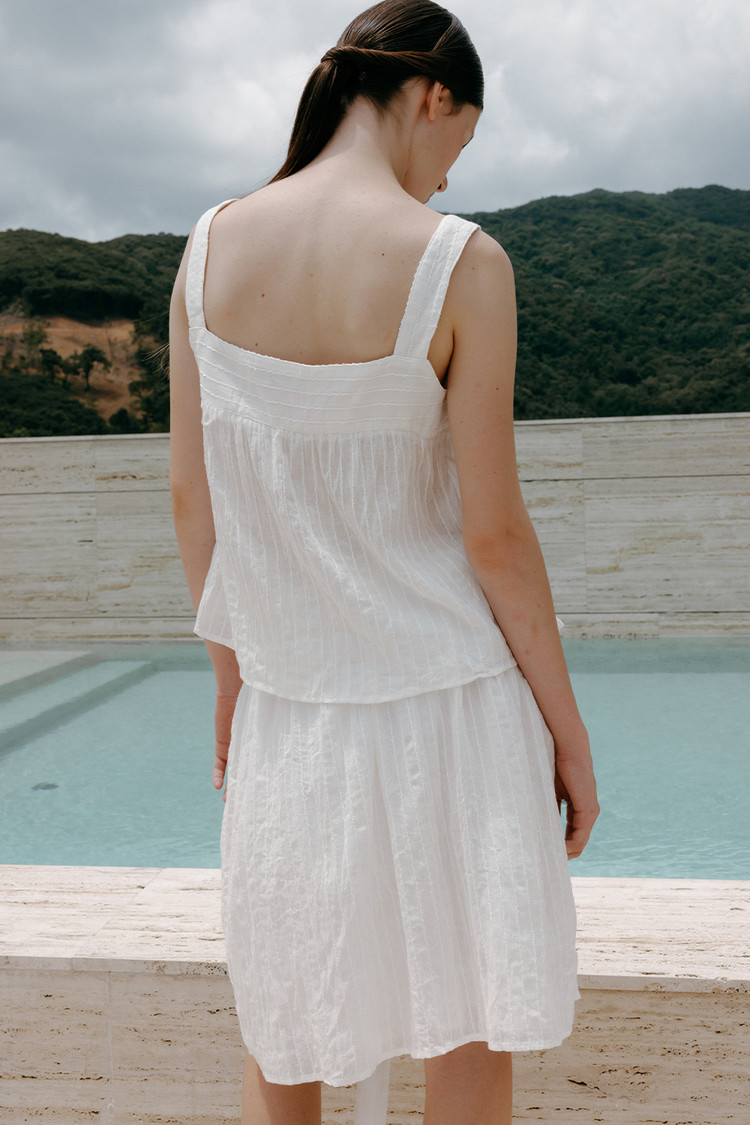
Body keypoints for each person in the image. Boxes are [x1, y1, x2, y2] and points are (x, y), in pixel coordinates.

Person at [169, 2, 599, 1122]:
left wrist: (232, 679)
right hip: (455, 704)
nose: (449, 176)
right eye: (462, 141)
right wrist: (566, 729)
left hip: (291, 709)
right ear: (433, 95)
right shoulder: (461, 261)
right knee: (469, 1023)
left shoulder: (208, 250)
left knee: (289, 1019)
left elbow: (193, 503)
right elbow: (495, 536)